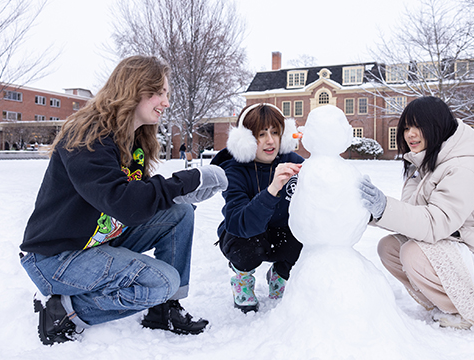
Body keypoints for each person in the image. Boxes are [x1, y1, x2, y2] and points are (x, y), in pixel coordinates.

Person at [19, 55, 228, 346]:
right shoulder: (87, 137)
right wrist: (187, 180)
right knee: (161, 281)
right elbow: (124, 202)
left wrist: (180, 194)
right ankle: (64, 311)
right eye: (160, 93)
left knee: (180, 213)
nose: (166, 102)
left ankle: (164, 309)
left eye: (167, 94)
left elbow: (137, 205)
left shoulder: (133, 140)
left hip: (95, 243)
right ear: (135, 89)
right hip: (56, 258)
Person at [359, 96, 474, 329]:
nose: (410, 134)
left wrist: (384, 207)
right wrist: (371, 212)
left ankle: (466, 311)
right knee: (390, 247)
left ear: (437, 127)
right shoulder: (425, 165)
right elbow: (413, 218)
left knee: (413, 252)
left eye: (418, 127)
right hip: (459, 247)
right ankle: (442, 304)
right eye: (406, 128)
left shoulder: (464, 167)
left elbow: (435, 223)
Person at [211, 103, 303, 313]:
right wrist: (272, 190)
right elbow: (239, 222)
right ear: (246, 140)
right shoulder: (233, 171)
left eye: (275, 132)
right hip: (243, 236)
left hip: (281, 235)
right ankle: (242, 279)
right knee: (248, 244)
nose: (270, 141)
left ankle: (279, 273)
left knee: (305, 234)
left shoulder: (294, 163)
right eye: (261, 134)